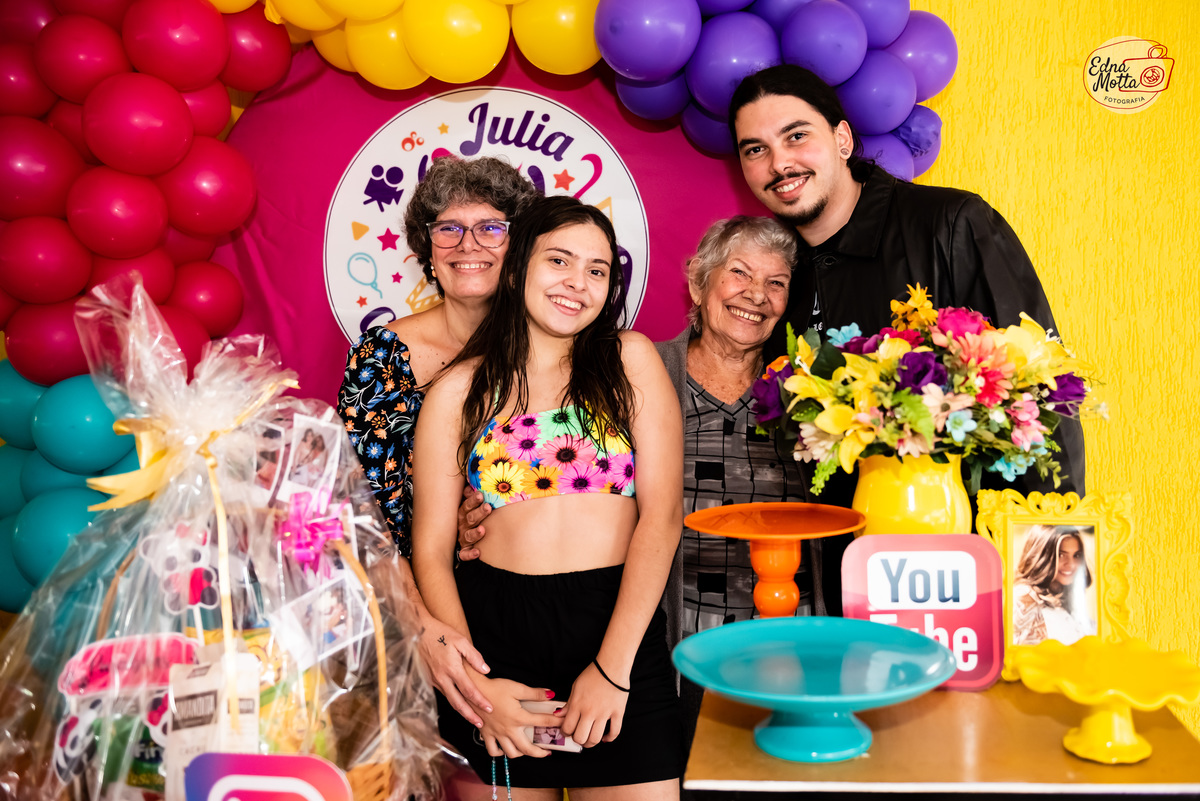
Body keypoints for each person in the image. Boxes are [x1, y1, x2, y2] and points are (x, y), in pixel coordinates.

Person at [411, 195, 684, 798]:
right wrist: (478, 693)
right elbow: (430, 549)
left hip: (617, 628)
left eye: (597, 269)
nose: (577, 282)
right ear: (516, 271)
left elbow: (662, 518)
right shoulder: (458, 390)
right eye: (559, 260)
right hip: (496, 645)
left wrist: (613, 670)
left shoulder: (629, 360)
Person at [727, 64, 1085, 509]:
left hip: (964, 542)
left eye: (796, 136)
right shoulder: (779, 276)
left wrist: (1052, 546)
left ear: (842, 139)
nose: (779, 164)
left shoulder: (952, 224)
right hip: (837, 546)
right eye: (755, 149)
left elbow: (1042, 399)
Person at [336, 155, 541, 729]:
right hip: (408, 617)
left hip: (526, 604)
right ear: (427, 249)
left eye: (491, 227)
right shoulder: (380, 357)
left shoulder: (554, 350)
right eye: (448, 228)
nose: (467, 244)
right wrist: (424, 628)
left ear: (519, 246)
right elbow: (360, 514)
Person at [1012, 525, 1093, 646]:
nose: (1070, 564)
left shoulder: (1067, 597)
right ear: (1041, 557)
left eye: (1076, 555)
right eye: (1061, 555)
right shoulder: (1025, 598)